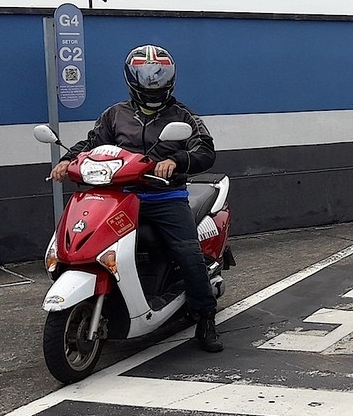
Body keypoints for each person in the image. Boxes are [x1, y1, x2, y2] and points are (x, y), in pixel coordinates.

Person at [50, 44, 224, 352]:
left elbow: (205, 150)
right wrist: (68, 159)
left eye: (159, 76)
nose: (153, 83)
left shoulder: (183, 116)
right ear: (132, 78)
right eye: (145, 76)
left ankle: (206, 316)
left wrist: (178, 162)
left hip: (163, 196)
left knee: (186, 253)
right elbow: (93, 144)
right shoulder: (115, 115)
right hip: (120, 195)